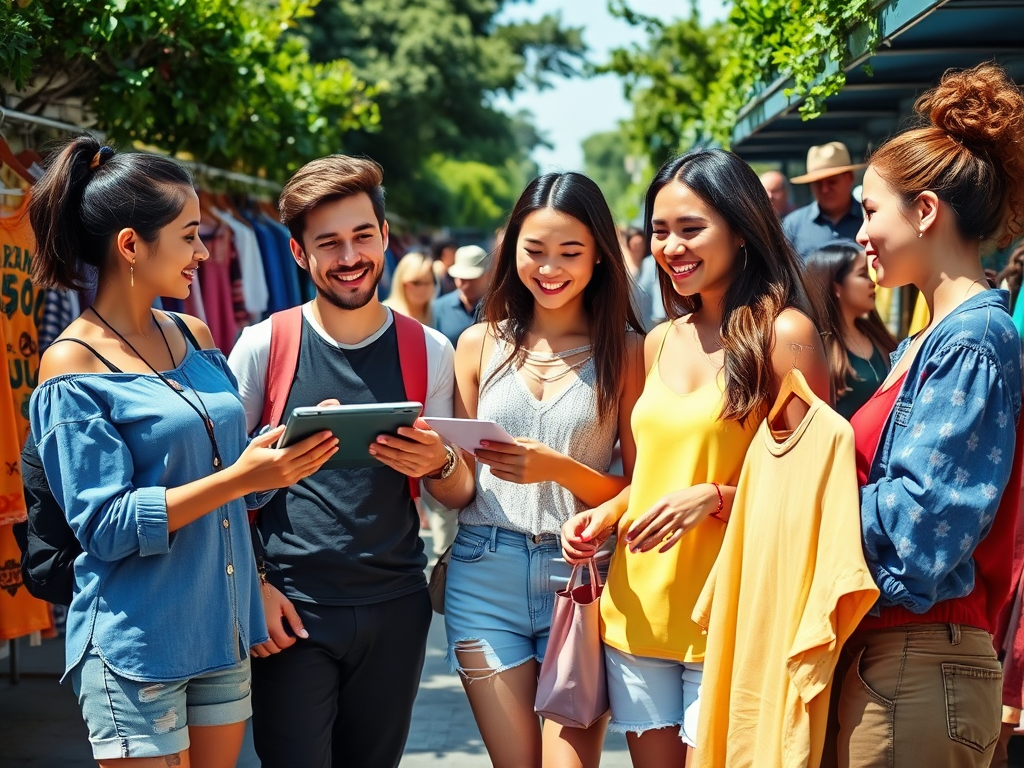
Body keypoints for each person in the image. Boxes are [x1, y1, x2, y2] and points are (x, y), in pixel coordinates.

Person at [27, 137, 337, 766]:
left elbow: (228, 469)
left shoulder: (192, 333)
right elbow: (106, 525)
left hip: (220, 632)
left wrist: (286, 451)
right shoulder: (71, 364)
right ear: (130, 245)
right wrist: (244, 476)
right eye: (190, 234)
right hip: (138, 643)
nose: (203, 251)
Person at [562, 148, 831, 768]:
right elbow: (652, 476)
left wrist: (714, 499)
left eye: (691, 229)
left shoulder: (784, 337)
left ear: (741, 230)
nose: (671, 247)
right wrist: (604, 516)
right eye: (660, 231)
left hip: (731, 619)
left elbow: (815, 495)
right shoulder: (656, 341)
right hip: (636, 614)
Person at [227, 155, 475, 768]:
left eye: (363, 236)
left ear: (385, 238)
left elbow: (461, 492)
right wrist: (254, 586)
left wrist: (439, 462)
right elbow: (221, 486)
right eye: (329, 243)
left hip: (396, 605)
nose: (349, 257)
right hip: (290, 609)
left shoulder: (429, 349)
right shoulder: (265, 345)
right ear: (298, 254)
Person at [822, 61, 1024, 768]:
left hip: (920, 659)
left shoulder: (972, 340)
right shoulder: (929, 340)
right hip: (897, 662)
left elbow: (920, 533)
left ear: (928, 210)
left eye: (872, 211)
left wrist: (803, 493)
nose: (862, 234)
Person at [445, 172, 646, 768]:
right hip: (483, 572)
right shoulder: (478, 344)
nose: (549, 268)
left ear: (600, 258)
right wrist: (434, 463)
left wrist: (557, 468)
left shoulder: (629, 351)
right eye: (535, 251)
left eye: (570, 252)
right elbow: (459, 488)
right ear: (513, 253)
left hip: (580, 578)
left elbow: (639, 487)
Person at [803, 241, 897, 419]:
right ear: (836, 287)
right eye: (863, 274)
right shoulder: (816, 350)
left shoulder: (879, 336)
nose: (872, 282)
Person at [783, 142, 865, 260]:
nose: (825, 189)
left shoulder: (869, 221)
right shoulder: (792, 225)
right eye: (817, 183)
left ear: (850, 177)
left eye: (832, 182)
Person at [433, 243, 493, 348]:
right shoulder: (438, 308)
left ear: (488, 275)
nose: (462, 284)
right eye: (459, 278)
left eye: (470, 279)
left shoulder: (501, 308)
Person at [382, 250, 436, 326]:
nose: (422, 289)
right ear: (401, 282)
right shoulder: (385, 316)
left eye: (427, 283)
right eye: (415, 283)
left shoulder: (438, 314)